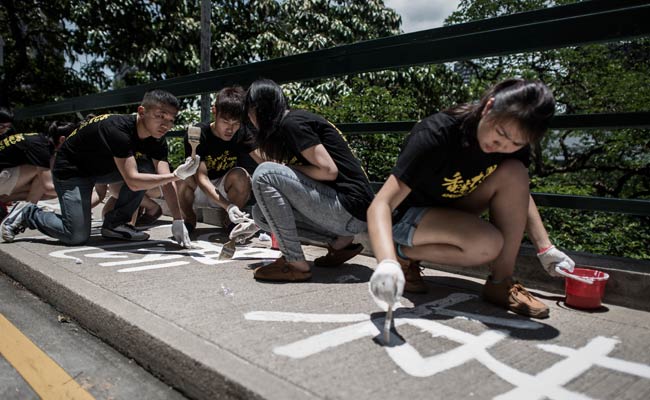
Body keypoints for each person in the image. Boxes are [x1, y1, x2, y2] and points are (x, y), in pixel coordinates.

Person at [368, 79, 575, 319]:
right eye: (500, 133)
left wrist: (545, 247)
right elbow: (380, 204)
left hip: (455, 210)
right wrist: (387, 262)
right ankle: (401, 254)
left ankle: (501, 283)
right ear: (488, 108)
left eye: (516, 143)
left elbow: (519, 194)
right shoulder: (437, 133)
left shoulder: (513, 148)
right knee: (488, 243)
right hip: (409, 217)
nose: (503, 145)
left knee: (515, 172)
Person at [1, 89, 200, 247]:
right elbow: (133, 179)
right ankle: (29, 213)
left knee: (147, 167)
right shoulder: (118, 129)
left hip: (103, 169)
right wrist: (175, 175)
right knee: (76, 236)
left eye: (171, 119)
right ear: (141, 111)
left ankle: (116, 224)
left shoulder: (157, 139)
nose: (166, 124)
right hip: (72, 170)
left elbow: (166, 179)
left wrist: (177, 220)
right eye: (160, 116)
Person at [244, 79, 374, 281]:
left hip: (349, 207)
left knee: (264, 173)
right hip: (346, 215)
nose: (249, 118)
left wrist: (287, 168)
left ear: (260, 108)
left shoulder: (293, 123)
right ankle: (340, 242)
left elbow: (328, 171)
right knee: (260, 214)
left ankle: (294, 263)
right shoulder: (287, 127)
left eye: (249, 111)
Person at [177, 86, 263, 240]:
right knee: (184, 177)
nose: (230, 129)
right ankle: (189, 220)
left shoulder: (242, 132)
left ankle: (231, 223)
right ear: (214, 111)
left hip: (224, 187)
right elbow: (201, 178)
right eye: (225, 122)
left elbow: (263, 160)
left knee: (242, 176)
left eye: (235, 123)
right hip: (199, 187)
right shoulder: (197, 134)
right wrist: (229, 206)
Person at [0, 121, 75, 204]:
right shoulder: (41, 149)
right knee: (43, 176)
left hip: (4, 175)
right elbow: (49, 187)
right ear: (62, 139)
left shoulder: (41, 140)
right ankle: (28, 209)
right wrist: (78, 188)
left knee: (49, 188)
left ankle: (5, 199)